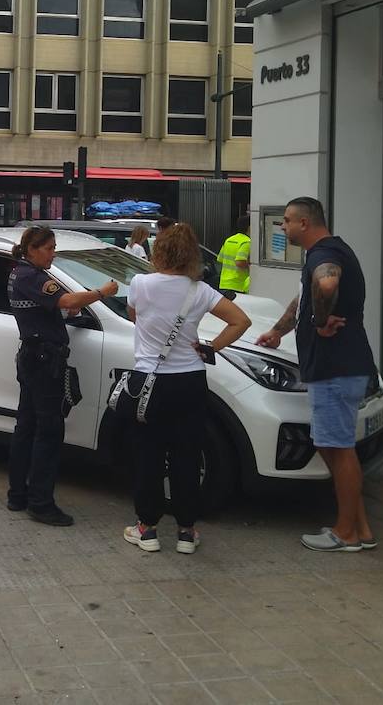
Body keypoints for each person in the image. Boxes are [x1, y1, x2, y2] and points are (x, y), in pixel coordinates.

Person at [256, 197, 379, 552]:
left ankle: (345, 534)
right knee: (334, 445)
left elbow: (325, 286)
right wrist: (280, 330)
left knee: (336, 447)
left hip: (335, 369)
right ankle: (361, 528)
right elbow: (304, 298)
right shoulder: (322, 254)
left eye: (287, 222)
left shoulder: (325, 254)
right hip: (337, 367)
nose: (283, 228)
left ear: (305, 224)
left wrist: (322, 322)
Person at [119, 223, 250, 554]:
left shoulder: (140, 284)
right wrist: (212, 348)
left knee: (148, 454)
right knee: (187, 455)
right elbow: (240, 321)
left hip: (150, 380)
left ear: (159, 251)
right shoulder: (200, 290)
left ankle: (146, 529)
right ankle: (186, 532)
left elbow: (134, 316)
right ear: (192, 255)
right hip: (190, 381)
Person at [7, 226, 119, 527]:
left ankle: (18, 494)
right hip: (44, 361)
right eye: (49, 248)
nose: (53, 253)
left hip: (33, 357)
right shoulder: (34, 276)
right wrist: (102, 292)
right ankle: (40, 503)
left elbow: (50, 309)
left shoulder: (20, 273)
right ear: (32, 249)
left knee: (27, 427)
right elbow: (68, 301)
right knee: (49, 432)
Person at [216, 214, 252, 300]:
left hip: (224, 284)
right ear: (249, 227)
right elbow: (240, 262)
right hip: (238, 285)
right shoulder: (246, 242)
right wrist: (253, 266)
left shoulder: (229, 239)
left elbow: (220, 259)